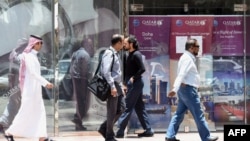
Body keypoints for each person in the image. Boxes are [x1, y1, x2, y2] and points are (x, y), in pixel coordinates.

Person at [165, 38, 218, 141]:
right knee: (199, 114)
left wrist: (177, 89)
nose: (199, 49)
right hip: (189, 91)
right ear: (191, 48)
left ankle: (170, 135)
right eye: (197, 47)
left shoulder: (185, 58)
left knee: (179, 114)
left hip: (185, 90)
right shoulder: (187, 59)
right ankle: (206, 137)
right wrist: (174, 89)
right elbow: (181, 74)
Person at [4, 35, 54, 141]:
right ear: (35, 44)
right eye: (40, 43)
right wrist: (45, 83)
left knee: (40, 112)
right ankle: (9, 132)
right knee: (24, 112)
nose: (41, 45)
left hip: (35, 90)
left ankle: (42, 136)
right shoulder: (28, 56)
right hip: (29, 91)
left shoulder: (33, 56)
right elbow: (32, 73)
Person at [116, 35, 154, 138]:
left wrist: (133, 78)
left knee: (127, 106)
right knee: (139, 107)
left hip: (135, 83)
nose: (124, 45)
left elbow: (142, 69)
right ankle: (148, 130)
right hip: (134, 83)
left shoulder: (136, 54)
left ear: (131, 44)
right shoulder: (130, 54)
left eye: (126, 43)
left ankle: (119, 131)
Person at [98, 34, 126, 141]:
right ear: (118, 42)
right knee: (112, 111)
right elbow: (106, 72)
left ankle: (104, 127)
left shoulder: (115, 54)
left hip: (117, 85)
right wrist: (112, 86)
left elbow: (116, 72)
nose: (124, 44)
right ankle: (109, 135)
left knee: (122, 108)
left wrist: (120, 85)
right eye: (123, 42)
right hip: (112, 85)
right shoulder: (109, 53)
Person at [0, 39, 27, 134]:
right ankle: (5, 121)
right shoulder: (19, 53)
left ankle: (5, 121)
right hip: (18, 80)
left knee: (15, 101)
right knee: (16, 101)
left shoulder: (14, 52)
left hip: (15, 79)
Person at [69, 40, 91, 131]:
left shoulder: (75, 53)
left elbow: (71, 67)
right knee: (83, 101)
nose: (91, 45)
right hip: (81, 79)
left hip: (75, 78)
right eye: (89, 44)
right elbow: (84, 70)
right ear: (85, 44)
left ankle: (78, 121)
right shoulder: (85, 54)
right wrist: (86, 79)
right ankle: (77, 119)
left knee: (79, 100)